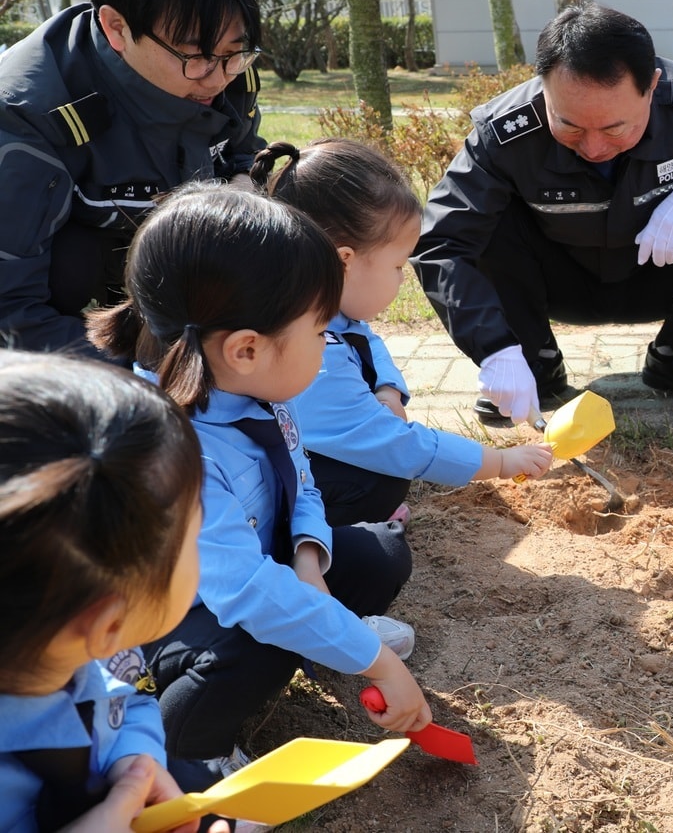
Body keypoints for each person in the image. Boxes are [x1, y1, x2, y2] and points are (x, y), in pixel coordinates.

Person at [87, 184, 433, 800]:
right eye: (321, 330)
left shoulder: (251, 389)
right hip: (167, 617)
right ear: (246, 348)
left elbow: (299, 477)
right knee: (259, 644)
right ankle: (189, 749)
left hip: (253, 567)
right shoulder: (170, 452)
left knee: (382, 551)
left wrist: (307, 557)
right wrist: (378, 663)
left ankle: (328, 628)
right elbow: (249, 595)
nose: (330, 344)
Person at [413, 2, 673, 426]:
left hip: (663, 276)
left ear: (652, 85)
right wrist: (494, 348)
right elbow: (442, 243)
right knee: (485, 225)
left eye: (615, 128)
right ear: (543, 87)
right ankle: (533, 363)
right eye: (570, 125)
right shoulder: (502, 132)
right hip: (560, 283)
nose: (593, 148)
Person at [0, 0, 264, 356]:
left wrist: (248, 186)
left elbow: (243, 155)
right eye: (195, 57)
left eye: (235, 54)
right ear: (116, 27)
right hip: (74, 357)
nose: (219, 79)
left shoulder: (220, 74)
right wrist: (147, 390)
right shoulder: (27, 118)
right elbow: (11, 314)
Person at [251, 139, 553, 526]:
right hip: (257, 496)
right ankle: (306, 533)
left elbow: (366, 341)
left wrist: (387, 389)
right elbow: (397, 446)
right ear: (345, 261)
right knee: (379, 480)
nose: (402, 278)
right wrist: (498, 461)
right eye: (397, 266)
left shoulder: (315, 307)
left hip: (296, 450)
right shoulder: (309, 357)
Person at [0, 351, 203, 833]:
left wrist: (135, 762)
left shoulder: (87, 650)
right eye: (195, 537)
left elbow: (129, 701)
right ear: (107, 625)